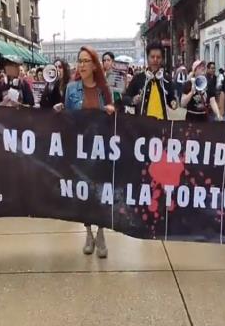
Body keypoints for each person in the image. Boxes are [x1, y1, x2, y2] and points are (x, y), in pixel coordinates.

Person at [53, 46, 115, 258]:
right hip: (80, 151)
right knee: (85, 194)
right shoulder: (71, 89)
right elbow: (69, 121)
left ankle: (101, 232)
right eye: (80, 61)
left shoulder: (104, 90)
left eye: (87, 61)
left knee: (100, 194)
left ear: (94, 64)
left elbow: (115, 119)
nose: (82, 64)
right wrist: (61, 112)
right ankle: (88, 233)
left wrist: (111, 112)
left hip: (100, 151)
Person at [123, 42, 177, 119]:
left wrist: (173, 103)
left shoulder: (166, 79)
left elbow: (172, 99)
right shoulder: (138, 78)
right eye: (152, 57)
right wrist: (133, 100)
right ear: (147, 57)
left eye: (158, 57)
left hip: (163, 125)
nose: (155, 60)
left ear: (162, 59)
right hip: (143, 125)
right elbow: (125, 98)